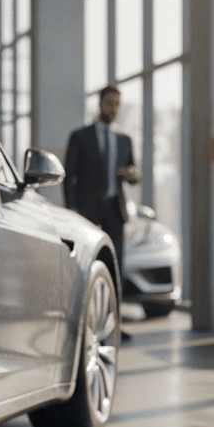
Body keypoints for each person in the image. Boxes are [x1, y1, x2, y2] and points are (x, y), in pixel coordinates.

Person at [64, 83, 141, 340]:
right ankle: (82, 323)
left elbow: (134, 174)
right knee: (84, 265)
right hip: (87, 211)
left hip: (114, 211)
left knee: (115, 266)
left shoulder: (124, 140)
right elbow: (69, 178)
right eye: (109, 103)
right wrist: (72, 210)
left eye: (117, 104)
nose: (114, 108)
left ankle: (113, 326)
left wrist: (132, 175)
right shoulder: (80, 137)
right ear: (99, 104)